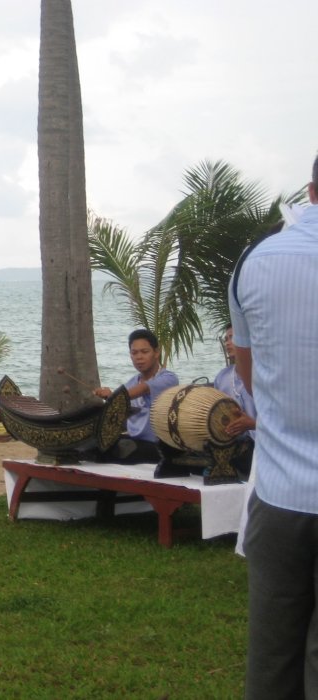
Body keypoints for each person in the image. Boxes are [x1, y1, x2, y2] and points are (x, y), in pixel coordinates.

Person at [231, 153, 318, 698]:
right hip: (282, 492)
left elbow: (250, 374)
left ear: (311, 190)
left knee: (272, 660)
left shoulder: (256, 259)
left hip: (280, 494)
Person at [93, 328, 178, 463]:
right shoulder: (131, 383)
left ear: (156, 352)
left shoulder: (168, 378)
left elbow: (144, 389)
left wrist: (114, 396)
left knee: (121, 449)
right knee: (96, 445)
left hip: (159, 446)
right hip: (134, 440)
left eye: (144, 352)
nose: (139, 357)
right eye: (134, 353)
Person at [213, 324, 256, 478]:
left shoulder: (264, 376)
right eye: (226, 339)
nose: (227, 343)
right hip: (231, 443)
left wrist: (252, 424)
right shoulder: (222, 377)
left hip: (261, 445)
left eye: (232, 337)